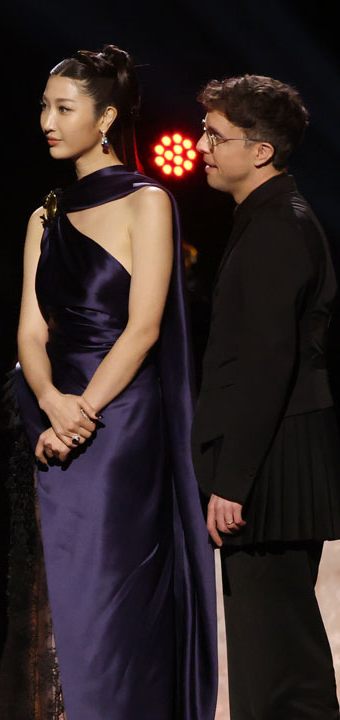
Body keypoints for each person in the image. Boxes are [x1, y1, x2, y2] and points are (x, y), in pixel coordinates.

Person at [7, 46, 216, 719]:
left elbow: (144, 327)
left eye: (63, 108)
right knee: (54, 602)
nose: (47, 121)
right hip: (51, 421)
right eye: (44, 107)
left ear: (105, 119)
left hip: (120, 426)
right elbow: (30, 333)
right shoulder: (44, 216)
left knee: (112, 602)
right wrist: (51, 404)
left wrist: (82, 414)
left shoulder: (146, 202)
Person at [191, 74, 340, 718]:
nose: (201, 146)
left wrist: (234, 481)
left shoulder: (279, 225)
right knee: (264, 667)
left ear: (261, 151)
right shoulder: (266, 218)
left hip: (271, 472)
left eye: (215, 136)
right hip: (270, 467)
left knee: (282, 673)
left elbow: (266, 363)